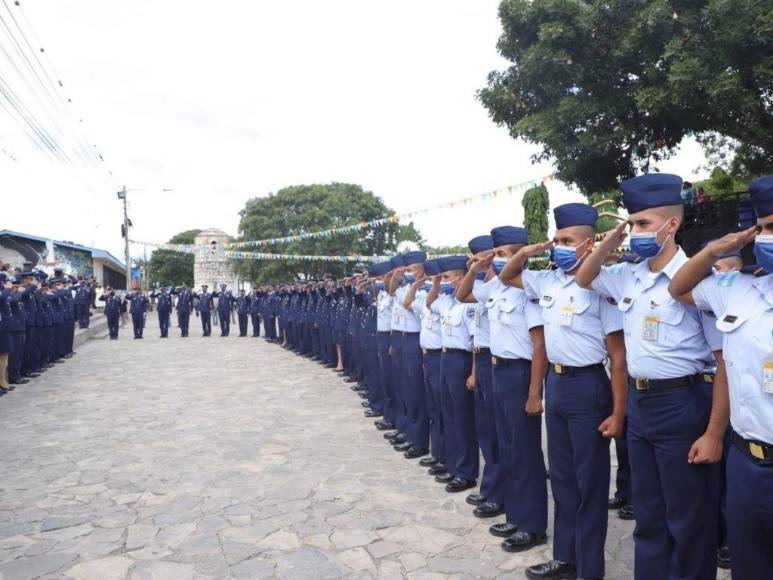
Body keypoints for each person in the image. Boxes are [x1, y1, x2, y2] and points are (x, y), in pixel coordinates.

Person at [575, 173, 723, 580]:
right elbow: (584, 277)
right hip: (640, 408)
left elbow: (722, 360)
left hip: (682, 403)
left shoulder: (694, 280)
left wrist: (713, 431)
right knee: (649, 517)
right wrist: (608, 242)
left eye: (643, 223)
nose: (634, 231)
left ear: (671, 224)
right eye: (632, 223)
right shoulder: (629, 274)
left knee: (688, 520)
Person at [500, 203, 628, 580]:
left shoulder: (600, 285)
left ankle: (589, 570)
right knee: (563, 477)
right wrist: (528, 252)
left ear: (589, 245)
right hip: (556, 385)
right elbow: (508, 276)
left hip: (588, 386)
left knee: (589, 483)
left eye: (567, 240)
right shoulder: (548, 281)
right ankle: (565, 558)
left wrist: (618, 413)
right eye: (556, 240)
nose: (559, 246)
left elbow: (618, 359)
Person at [668, 173, 773, 580]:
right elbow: (679, 287)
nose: (768, 237)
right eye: (764, 229)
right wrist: (716, 249)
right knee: (749, 567)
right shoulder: (737, 290)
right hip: (747, 462)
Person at [457, 225, 548, 553]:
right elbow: (463, 295)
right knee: (509, 450)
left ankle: (533, 525)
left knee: (525, 453)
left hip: (521, 374)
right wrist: (475, 269)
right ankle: (516, 514)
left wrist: (535, 393)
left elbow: (540, 346)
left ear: (519, 255)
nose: (495, 260)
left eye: (500, 254)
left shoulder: (529, 290)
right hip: (497, 372)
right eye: (494, 254)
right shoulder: (494, 287)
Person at [425, 255, 479, 492]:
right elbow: (429, 303)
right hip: (445, 358)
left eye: (446, 277)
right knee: (449, 415)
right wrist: (437, 284)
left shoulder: (469, 303)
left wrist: (473, 373)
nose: (443, 281)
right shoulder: (446, 300)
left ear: (459, 277)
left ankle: (466, 472)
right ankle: (453, 463)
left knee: (462, 419)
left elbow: (476, 339)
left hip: (461, 360)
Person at [389, 251, 430, 459]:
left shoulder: (426, 291)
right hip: (403, 339)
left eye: (410, 269)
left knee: (416, 393)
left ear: (422, 269)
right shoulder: (404, 287)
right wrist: (397, 276)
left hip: (416, 341)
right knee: (406, 390)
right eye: (406, 270)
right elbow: (391, 290)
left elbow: (410, 306)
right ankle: (409, 431)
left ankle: (419, 439)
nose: (407, 273)